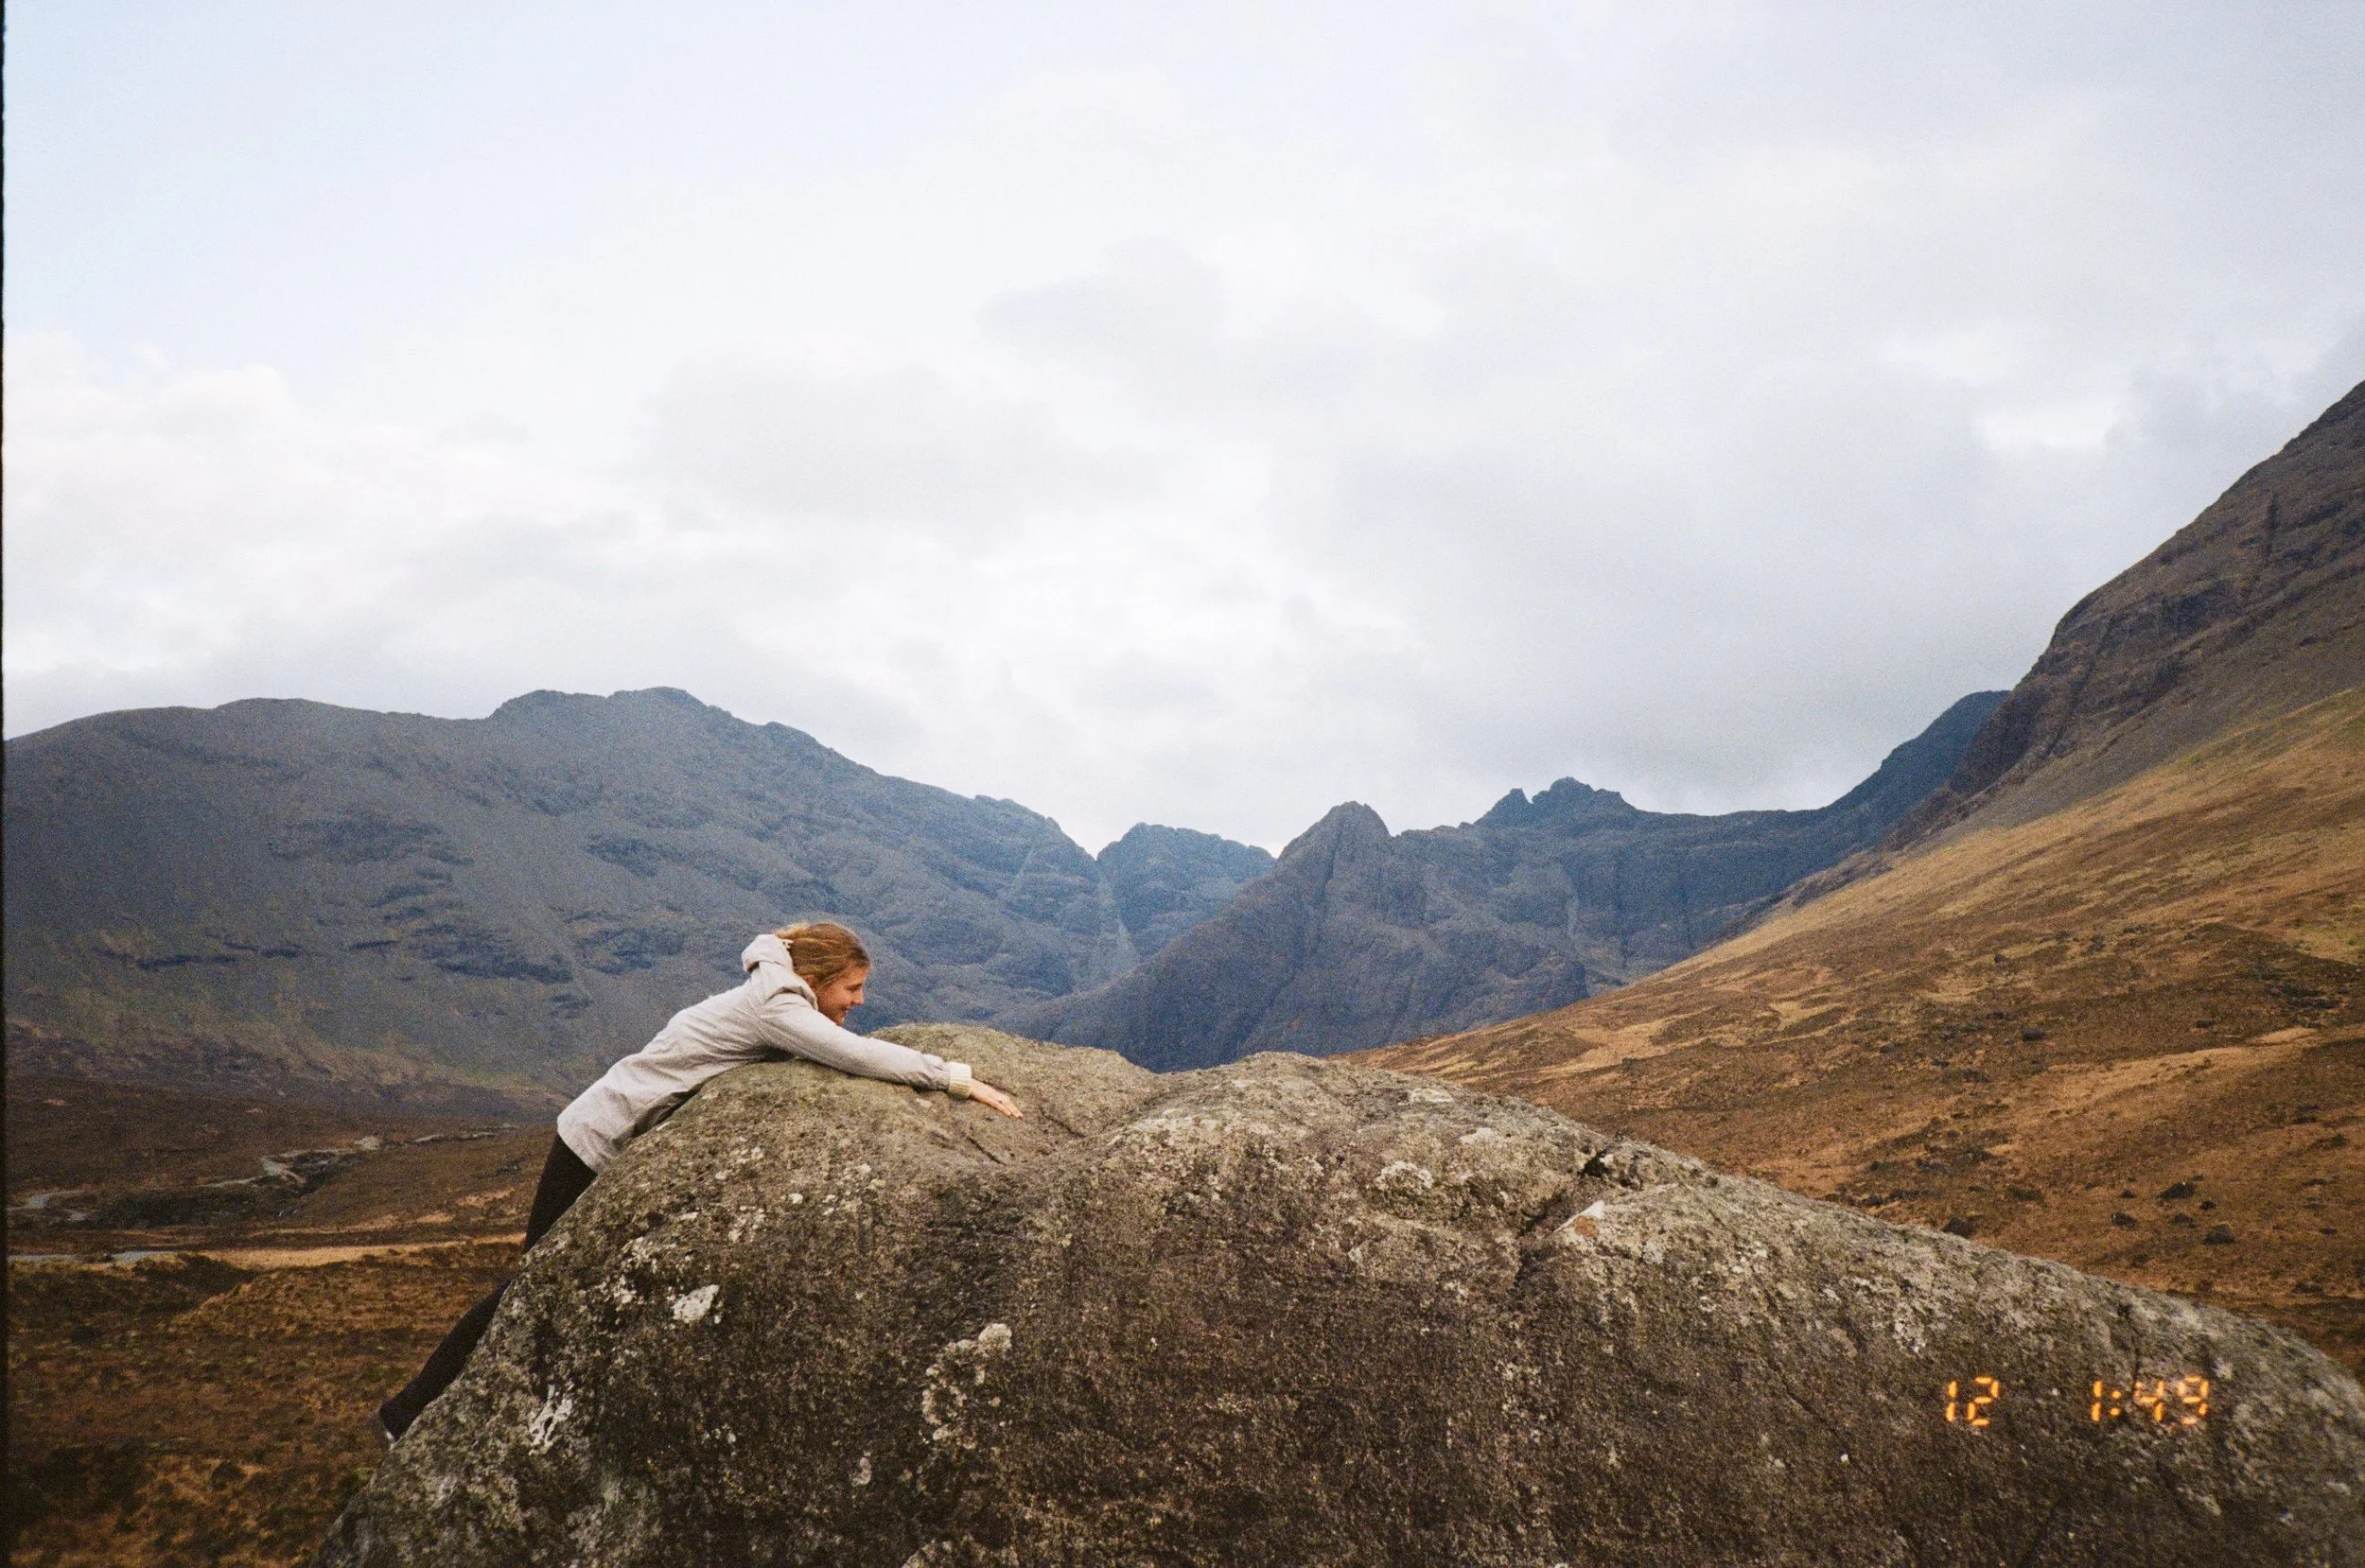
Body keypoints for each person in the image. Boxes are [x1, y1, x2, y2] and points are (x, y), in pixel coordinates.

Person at [377, 920, 1021, 1442]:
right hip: (595, 1138)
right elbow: (853, 1055)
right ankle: (407, 1415)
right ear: (818, 980)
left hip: (609, 1132)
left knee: (543, 1285)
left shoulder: (777, 994)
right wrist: (954, 1078)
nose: (858, 1002)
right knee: (529, 1287)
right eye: (852, 988)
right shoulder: (777, 1009)